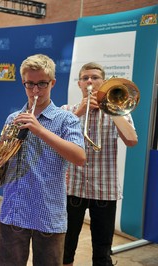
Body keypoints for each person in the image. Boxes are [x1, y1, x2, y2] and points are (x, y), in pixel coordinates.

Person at [0, 54, 86, 266]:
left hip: (48, 214)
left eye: (42, 84)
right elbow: (2, 161)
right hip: (13, 212)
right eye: (30, 84)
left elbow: (79, 157)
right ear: (23, 83)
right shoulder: (13, 119)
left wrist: (40, 129)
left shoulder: (66, 119)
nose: (36, 91)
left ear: (52, 83)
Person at [62, 62, 138, 266]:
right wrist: (79, 111)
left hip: (105, 189)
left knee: (102, 252)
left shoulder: (119, 111)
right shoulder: (66, 111)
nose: (90, 81)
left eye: (95, 77)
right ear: (79, 83)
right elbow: (52, 139)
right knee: (65, 248)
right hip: (73, 188)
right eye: (85, 78)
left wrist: (112, 110)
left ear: (103, 83)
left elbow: (132, 141)